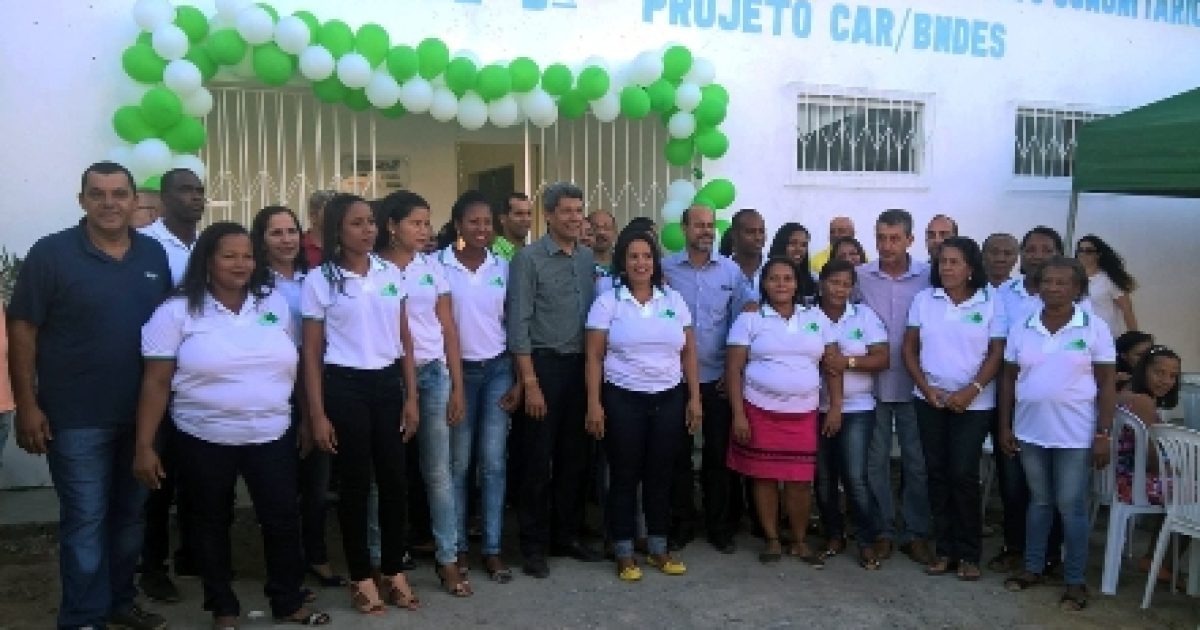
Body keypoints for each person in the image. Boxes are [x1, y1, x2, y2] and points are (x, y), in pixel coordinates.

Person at [132, 222, 330, 628]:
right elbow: (155, 382)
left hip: (272, 434)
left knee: (280, 518)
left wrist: (309, 419)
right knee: (209, 522)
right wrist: (145, 444)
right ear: (207, 260)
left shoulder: (271, 303)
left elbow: (292, 367)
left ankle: (287, 599)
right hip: (204, 436)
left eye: (247, 255)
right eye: (229, 255)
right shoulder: (177, 311)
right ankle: (222, 607)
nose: (241, 264)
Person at [8, 161, 171, 629]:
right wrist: (27, 404)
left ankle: (119, 602)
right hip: (75, 416)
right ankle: (83, 617)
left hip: (143, 418)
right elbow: (23, 329)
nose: (109, 203)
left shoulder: (152, 257)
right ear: (82, 200)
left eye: (119, 194)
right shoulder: (51, 254)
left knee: (130, 519)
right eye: (97, 194)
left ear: (134, 200)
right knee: (85, 521)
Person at [301, 193, 421, 615]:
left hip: (388, 384)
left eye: (371, 221)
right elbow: (312, 355)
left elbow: (405, 340)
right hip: (345, 387)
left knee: (394, 481)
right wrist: (317, 414)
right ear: (337, 229)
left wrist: (412, 398)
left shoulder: (391, 273)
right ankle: (361, 576)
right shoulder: (320, 281)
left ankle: (393, 570)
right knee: (354, 485)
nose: (368, 229)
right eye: (357, 223)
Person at [584, 230, 703, 581]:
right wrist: (594, 403)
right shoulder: (609, 301)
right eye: (634, 256)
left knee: (660, 475)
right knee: (623, 475)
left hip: (668, 397)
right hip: (622, 397)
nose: (641, 263)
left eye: (647, 256)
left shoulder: (673, 300)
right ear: (623, 261)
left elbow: (689, 352)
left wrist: (694, 397)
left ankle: (658, 547)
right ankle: (622, 549)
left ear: (655, 261)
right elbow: (593, 356)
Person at [999, 256, 1116, 611]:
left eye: (1062, 282)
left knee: (1071, 506)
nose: (1053, 288)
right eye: (1047, 281)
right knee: (1040, 502)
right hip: (1030, 431)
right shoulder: (1023, 327)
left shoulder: (1093, 328)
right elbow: (1008, 379)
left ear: (1077, 288)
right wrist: (1004, 425)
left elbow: (1107, 382)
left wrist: (1103, 433)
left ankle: (1075, 580)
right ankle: (1033, 568)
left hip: (1075, 436)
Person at [374, 190, 470, 597]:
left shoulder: (433, 268)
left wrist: (457, 386)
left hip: (433, 375)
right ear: (392, 226)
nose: (424, 230)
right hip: (386, 376)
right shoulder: (373, 270)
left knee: (439, 473)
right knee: (385, 474)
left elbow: (448, 327)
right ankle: (381, 559)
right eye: (415, 222)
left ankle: (447, 558)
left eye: (427, 223)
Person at [250, 206, 347, 589]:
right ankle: (286, 561)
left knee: (317, 482)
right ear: (261, 240)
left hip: (315, 389)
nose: (286, 239)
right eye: (276, 233)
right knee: (280, 484)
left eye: (291, 231)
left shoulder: (315, 280)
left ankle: (317, 555)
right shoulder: (255, 287)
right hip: (272, 392)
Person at [506, 181, 600, 578]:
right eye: (567, 211)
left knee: (573, 459)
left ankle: (566, 535)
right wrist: (529, 381)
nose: (575, 218)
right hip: (543, 367)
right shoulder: (528, 259)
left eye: (579, 211)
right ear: (548, 215)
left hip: (581, 368)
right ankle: (533, 545)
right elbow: (519, 323)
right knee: (535, 462)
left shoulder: (586, 258)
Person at [902, 237, 1006, 580]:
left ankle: (969, 553)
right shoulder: (924, 300)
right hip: (930, 399)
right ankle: (945, 551)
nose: (946, 267)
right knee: (937, 473)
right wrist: (925, 388)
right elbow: (909, 349)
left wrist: (972, 389)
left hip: (975, 403)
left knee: (963, 474)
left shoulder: (991, 301)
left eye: (954, 262)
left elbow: (996, 353)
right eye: (943, 261)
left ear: (970, 267)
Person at [727, 258, 842, 564]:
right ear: (764, 284)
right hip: (759, 409)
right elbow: (734, 369)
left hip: (803, 412)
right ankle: (773, 539)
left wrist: (835, 408)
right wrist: (738, 414)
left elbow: (833, 367)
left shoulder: (815, 317)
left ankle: (800, 540)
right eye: (774, 278)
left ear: (796, 283)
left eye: (787, 278)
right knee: (763, 477)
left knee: (800, 480)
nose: (781, 284)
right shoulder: (750, 319)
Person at [439, 191, 521, 584]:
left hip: (498, 372)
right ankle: (455, 549)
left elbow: (515, 324)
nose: (481, 229)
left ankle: (491, 548)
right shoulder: (436, 266)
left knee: (493, 463)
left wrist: (521, 379)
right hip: (456, 376)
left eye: (487, 222)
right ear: (457, 225)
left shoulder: (503, 267)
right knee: (457, 465)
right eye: (473, 222)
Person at [662, 205, 752, 555]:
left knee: (718, 456)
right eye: (698, 225)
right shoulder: (666, 270)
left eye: (710, 225)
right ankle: (681, 523)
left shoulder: (730, 272)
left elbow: (748, 315)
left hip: (716, 379)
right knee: (677, 455)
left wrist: (735, 371)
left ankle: (719, 527)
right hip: (675, 379)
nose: (705, 231)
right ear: (684, 228)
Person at [137, 167, 206, 602]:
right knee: (157, 484)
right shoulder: (147, 247)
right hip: (161, 376)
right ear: (164, 198)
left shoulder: (207, 246)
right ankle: (152, 566)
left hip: (200, 379)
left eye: (199, 191)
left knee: (196, 475)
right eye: (185, 190)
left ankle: (193, 553)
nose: (194, 198)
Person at [989, 225, 1071, 574]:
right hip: (1008, 398)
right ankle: (1014, 546)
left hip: (1051, 406)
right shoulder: (1002, 294)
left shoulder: (1066, 298)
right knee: (1013, 481)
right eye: (1032, 249)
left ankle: (1050, 552)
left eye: (1046, 249)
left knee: (1049, 485)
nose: (1038, 255)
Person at [856, 209, 934, 565]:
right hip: (872, 387)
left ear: (909, 240)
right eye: (881, 238)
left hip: (917, 387)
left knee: (917, 464)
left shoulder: (929, 277)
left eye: (894, 238)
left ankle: (915, 533)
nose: (886, 246)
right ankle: (883, 530)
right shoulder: (860, 277)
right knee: (876, 465)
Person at [813, 259, 889, 569]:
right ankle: (833, 535)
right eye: (834, 282)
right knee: (823, 477)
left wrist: (849, 362)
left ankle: (866, 540)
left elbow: (882, 357)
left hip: (858, 408)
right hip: (814, 407)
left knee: (855, 477)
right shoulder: (809, 314)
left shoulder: (864, 315)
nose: (840, 289)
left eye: (846, 284)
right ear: (822, 283)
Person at [1075, 234, 1138, 335]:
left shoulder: (1109, 280)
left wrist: (1135, 338)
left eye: (1089, 251)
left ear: (1098, 254)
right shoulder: (1072, 278)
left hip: (1105, 337)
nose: (1083, 254)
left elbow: (1127, 310)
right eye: (1080, 250)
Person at [766, 222, 818, 302]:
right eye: (793, 243)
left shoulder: (813, 279)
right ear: (781, 244)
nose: (799, 249)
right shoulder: (764, 274)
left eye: (803, 245)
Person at [729, 208, 766, 290]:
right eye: (750, 232)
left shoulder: (773, 269)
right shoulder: (722, 270)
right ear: (734, 235)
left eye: (761, 231)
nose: (758, 237)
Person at [492, 192, 533, 261]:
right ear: (503, 218)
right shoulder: (492, 254)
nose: (526, 219)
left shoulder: (531, 252)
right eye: (519, 213)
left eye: (529, 213)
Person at [302, 190, 336, 267]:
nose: (336, 216)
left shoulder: (346, 247)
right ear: (313, 216)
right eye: (330, 212)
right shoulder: (297, 246)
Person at [587, 209, 617, 275]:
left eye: (607, 228)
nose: (601, 232)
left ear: (615, 233)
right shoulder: (578, 263)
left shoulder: (623, 264)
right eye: (595, 228)